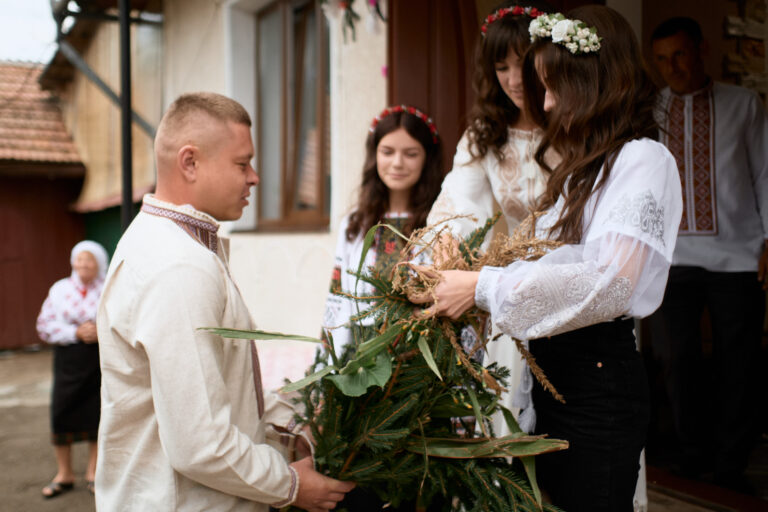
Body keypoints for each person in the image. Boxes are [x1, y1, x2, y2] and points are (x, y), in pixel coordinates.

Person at [412, 6, 683, 511]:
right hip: (551, 364)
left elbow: (610, 282)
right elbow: (547, 256)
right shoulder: (587, 167)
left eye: (554, 84)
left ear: (595, 80)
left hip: (596, 372)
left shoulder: (642, 159)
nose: (548, 101)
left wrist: (482, 287)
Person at [95, 92, 354, 511]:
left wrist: (295, 424)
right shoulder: (177, 267)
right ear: (190, 162)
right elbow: (201, 444)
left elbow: (221, 390)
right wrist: (290, 485)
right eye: (242, 163)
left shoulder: (176, 245)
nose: (254, 177)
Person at [647, 16, 768, 493]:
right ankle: (691, 454)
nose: (671, 67)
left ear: (701, 51)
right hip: (671, 258)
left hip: (738, 254)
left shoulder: (745, 104)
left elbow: (764, 173)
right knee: (676, 358)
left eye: (678, 55)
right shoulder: (650, 109)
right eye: (660, 59)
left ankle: (731, 464)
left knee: (738, 362)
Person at [426, 0, 556, 437]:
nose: (515, 80)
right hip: (515, 287)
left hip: (577, 283)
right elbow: (458, 206)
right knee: (512, 430)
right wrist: (439, 251)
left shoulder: (576, 126)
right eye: (502, 67)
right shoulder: (485, 134)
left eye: (524, 64)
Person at [321, 104, 443, 357]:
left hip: (422, 360)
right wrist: (328, 362)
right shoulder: (356, 224)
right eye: (387, 152)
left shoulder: (439, 223)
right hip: (361, 360)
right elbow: (338, 297)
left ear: (427, 158)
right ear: (374, 155)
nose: (397, 163)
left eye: (411, 154)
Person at [36, 240, 108, 498]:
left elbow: (120, 319)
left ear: (99, 263)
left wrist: (100, 332)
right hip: (69, 359)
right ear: (72, 262)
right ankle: (64, 474)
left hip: (99, 358)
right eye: (80, 259)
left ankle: (93, 473)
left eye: (90, 260)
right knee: (62, 412)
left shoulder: (108, 287)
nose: (84, 264)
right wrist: (75, 331)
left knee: (97, 413)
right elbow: (44, 325)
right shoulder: (60, 289)